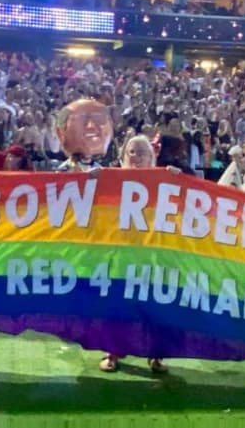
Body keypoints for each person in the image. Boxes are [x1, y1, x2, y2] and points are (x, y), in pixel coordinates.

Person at [98, 134, 168, 375]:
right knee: (118, 304)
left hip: (153, 255)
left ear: (152, 157)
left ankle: (156, 354)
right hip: (121, 254)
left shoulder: (166, 181)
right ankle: (113, 352)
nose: (136, 157)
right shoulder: (111, 180)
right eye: (132, 152)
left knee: (154, 305)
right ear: (123, 157)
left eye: (142, 152)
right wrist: (86, 181)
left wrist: (177, 179)